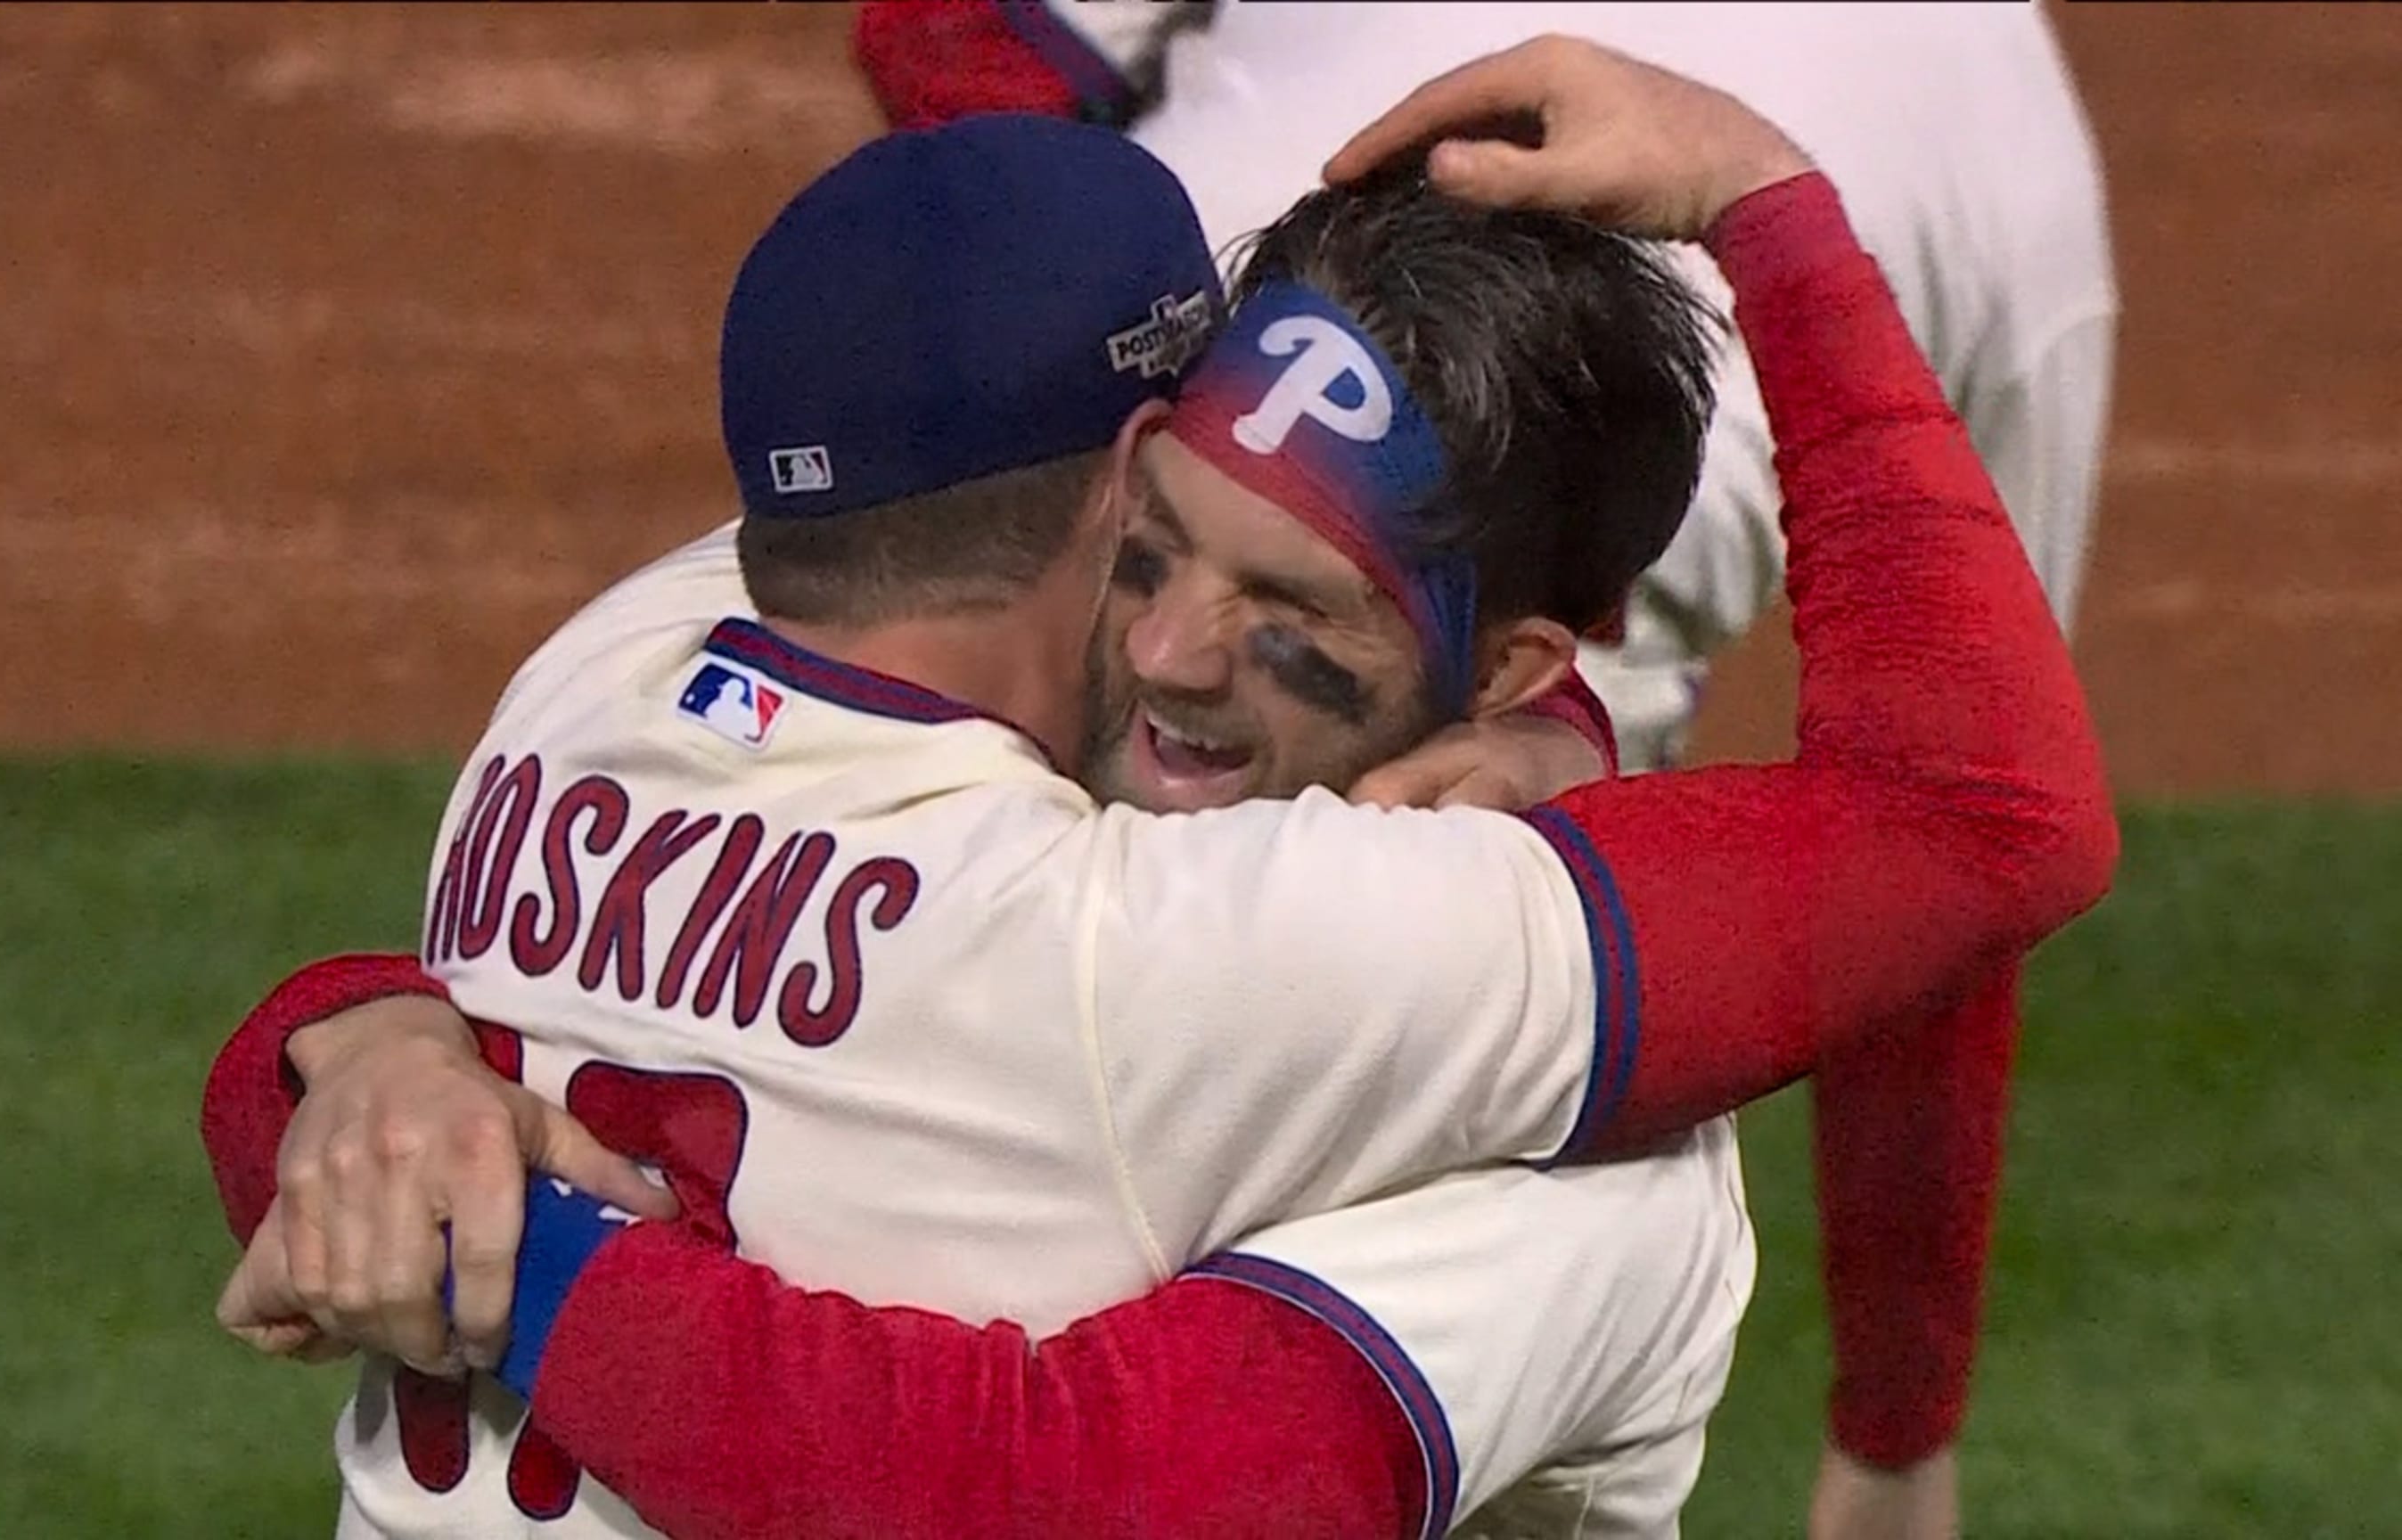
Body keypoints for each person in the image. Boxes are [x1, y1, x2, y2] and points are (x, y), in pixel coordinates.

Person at [208, 43, 2116, 1539]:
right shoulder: (1312, 986)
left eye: (1297, 612)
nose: (1184, 652)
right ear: (1116, 472)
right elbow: (1977, 817)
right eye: (1158, 550)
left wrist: (356, 1059)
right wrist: (1766, 212)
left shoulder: (610, 668)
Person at [854, 4, 2121, 1523]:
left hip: (1378, 729)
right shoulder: (2008, 154)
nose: (1185, 644)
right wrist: (1898, 1442)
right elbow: (1962, 847)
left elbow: (953, 43)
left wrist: (1024, 383)